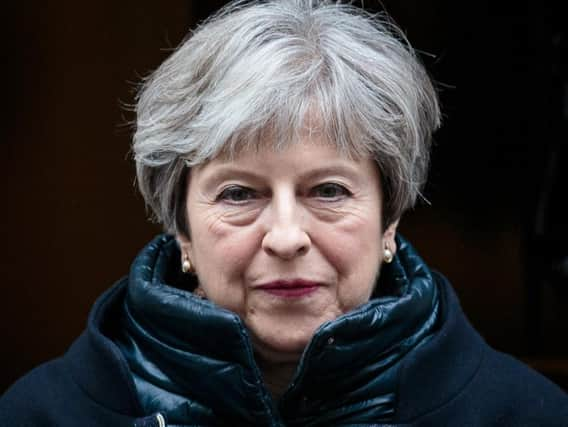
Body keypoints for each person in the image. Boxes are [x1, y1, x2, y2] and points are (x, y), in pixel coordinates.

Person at [1, 0, 567, 425]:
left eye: (329, 190)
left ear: (389, 219)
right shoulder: (37, 416)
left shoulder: (526, 414)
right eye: (239, 195)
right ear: (182, 231)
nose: (287, 237)